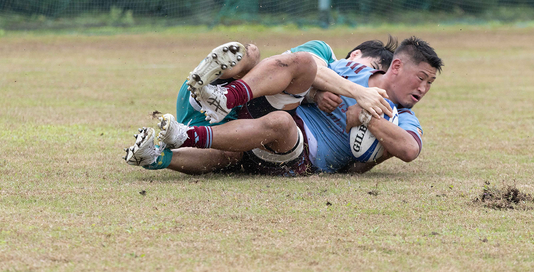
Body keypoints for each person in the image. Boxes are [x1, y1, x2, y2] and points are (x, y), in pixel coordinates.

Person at [124, 38, 399, 175]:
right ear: (355, 55)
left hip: (229, 119)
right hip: (232, 108)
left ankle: (158, 155)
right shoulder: (324, 52)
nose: (373, 79)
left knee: (234, 154)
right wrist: (329, 94)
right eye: (374, 69)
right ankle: (217, 89)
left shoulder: (356, 101)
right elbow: (304, 67)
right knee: (253, 54)